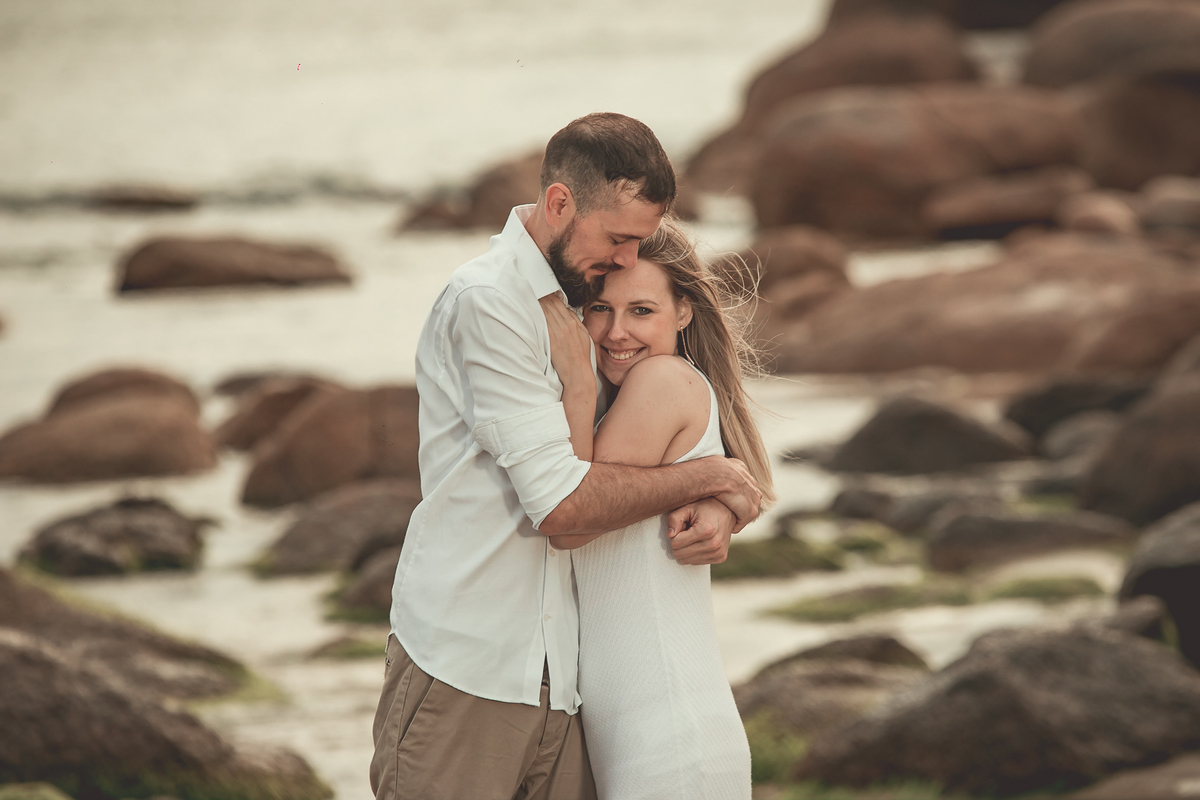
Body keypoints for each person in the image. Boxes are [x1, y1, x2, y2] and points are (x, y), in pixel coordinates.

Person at [371, 112, 763, 800]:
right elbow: (567, 508)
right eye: (617, 239)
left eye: (636, 252)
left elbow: (632, 476)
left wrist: (724, 497)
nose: (622, 260)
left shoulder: (585, 303)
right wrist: (715, 477)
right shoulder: (495, 303)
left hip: (570, 693)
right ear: (559, 204)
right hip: (473, 667)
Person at [540, 216, 776, 800]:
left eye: (642, 311)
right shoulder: (626, 404)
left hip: (670, 739)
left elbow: (574, 519)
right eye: (599, 309)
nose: (617, 332)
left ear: (685, 312)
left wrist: (572, 371)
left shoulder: (664, 381)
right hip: (641, 734)